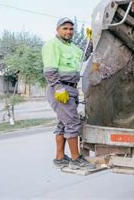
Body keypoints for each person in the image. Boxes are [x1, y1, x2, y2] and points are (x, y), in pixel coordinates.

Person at [42, 17, 95, 170]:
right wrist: (58, 87)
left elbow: (84, 56)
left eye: (71, 29)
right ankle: (76, 159)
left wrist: (90, 41)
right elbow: (50, 70)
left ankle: (59, 158)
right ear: (57, 29)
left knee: (63, 124)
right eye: (65, 28)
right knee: (72, 123)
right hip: (60, 89)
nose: (68, 31)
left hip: (71, 88)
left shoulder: (72, 47)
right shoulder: (52, 45)